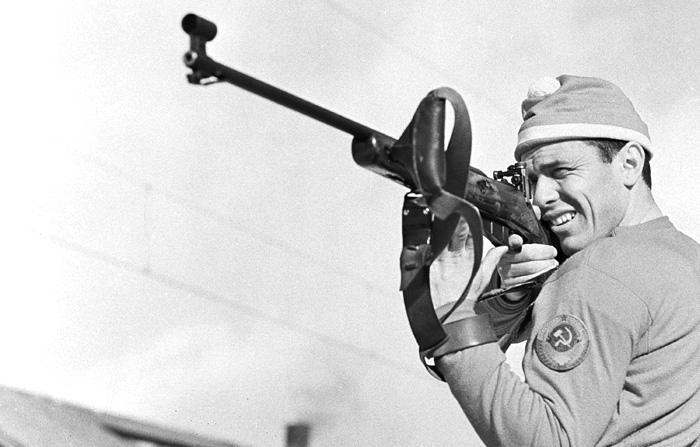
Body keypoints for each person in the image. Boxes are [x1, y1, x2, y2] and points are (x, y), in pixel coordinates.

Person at [427, 75, 700, 446]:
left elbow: (549, 439)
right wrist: (513, 300)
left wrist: (454, 316)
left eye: (561, 172)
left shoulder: (597, 270)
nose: (541, 198)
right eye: (532, 179)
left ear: (630, 162)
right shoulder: (686, 258)